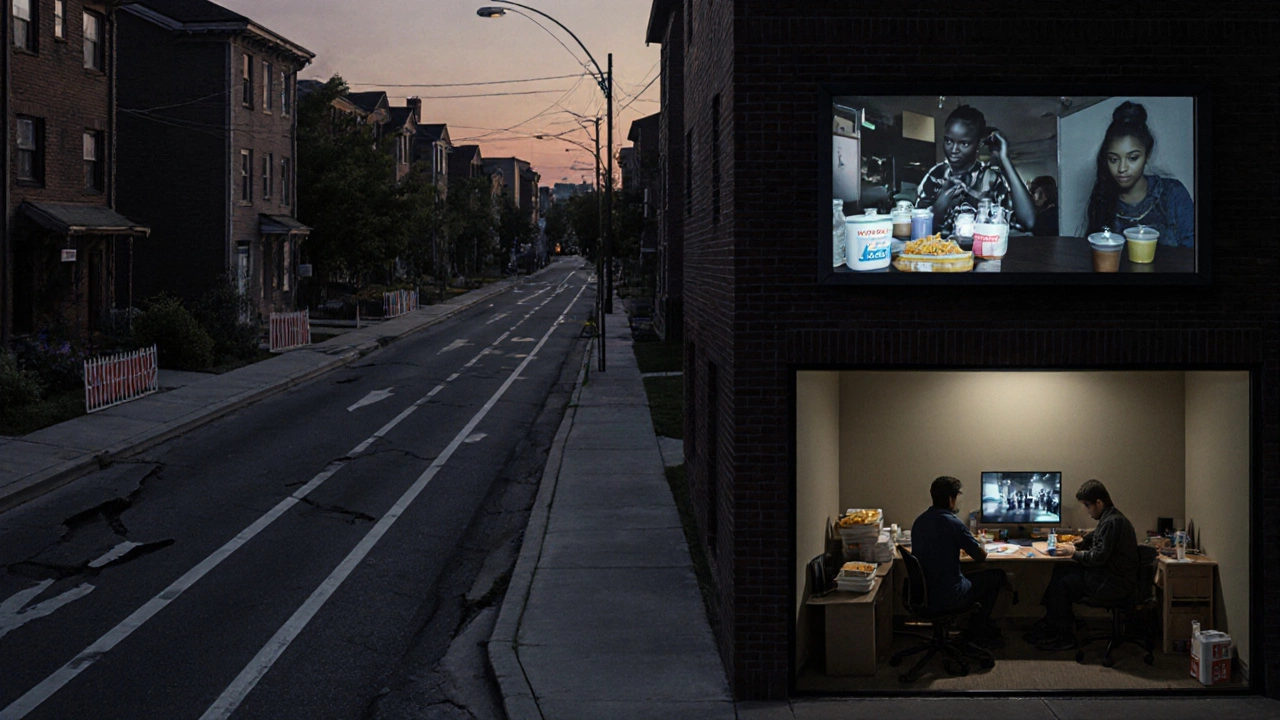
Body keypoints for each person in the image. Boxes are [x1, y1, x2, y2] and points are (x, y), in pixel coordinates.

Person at [1026, 479, 1139, 651]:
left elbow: (1097, 558)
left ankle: (1063, 635)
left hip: (1112, 583)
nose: (1087, 511)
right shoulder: (1112, 518)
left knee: (1063, 582)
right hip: (1112, 576)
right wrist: (1077, 543)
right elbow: (1096, 537)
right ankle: (1054, 622)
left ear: (1099, 503)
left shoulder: (1112, 522)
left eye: (1087, 505)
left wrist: (1072, 553)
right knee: (1061, 570)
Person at [911, 476, 1006, 648]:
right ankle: (977, 631)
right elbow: (980, 556)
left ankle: (973, 628)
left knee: (969, 574)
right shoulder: (953, 523)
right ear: (950, 499)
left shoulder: (920, 521)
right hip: (948, 595)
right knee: (997, 576)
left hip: (923, 594)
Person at [1084, 101, 1195, 247]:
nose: (1122, 168)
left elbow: (1193, 254)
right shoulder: (1102, 198)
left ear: (1147, 155)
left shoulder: (1173, 194)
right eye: (1113, 159)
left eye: (1133, 158)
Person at [915, 104, 1036, 236]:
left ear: (978, 145)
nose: (954, 150)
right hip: (938, 255)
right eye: (948, 141)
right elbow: (915, 232)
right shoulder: (936, 175)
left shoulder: (990, 179)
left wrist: (1004, 159)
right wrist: (938, 208)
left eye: (964, 143)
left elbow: (1028, 222)